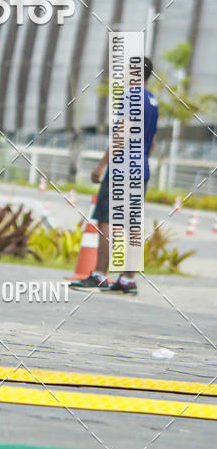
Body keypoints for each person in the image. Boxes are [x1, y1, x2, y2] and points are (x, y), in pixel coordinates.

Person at [71, 56, 159, 293]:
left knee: (108, 220)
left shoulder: (131, 96)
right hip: (140, 170)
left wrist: (102, 165)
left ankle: (100, 275)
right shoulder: (152, 101)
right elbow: (152, 141)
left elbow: (123, 132)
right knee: (133, 224)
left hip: (122, 170)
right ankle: (128, 279)